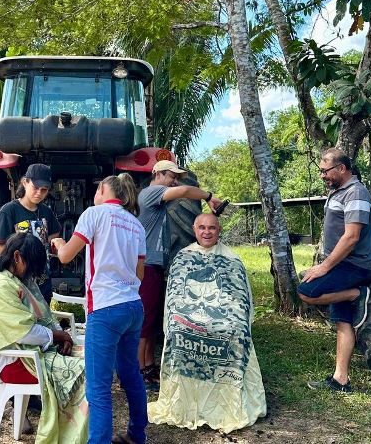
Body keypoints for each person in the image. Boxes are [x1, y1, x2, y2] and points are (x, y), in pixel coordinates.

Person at [50, 173, 147, 444]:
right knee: (131, 375)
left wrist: (58, 244)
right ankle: (137, 435)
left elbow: (66, 256)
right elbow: (139, 274)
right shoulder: (136, 224)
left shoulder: (94, 214)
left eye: (96, 190)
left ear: (103, 190)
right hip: (133, 306)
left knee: (99, 389)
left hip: (105, 309)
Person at [148, 213, 266, 432]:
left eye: (211, 228)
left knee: (236, 330)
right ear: (194, 230)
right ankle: (183, 404)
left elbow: (240, 299)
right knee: (177, 329)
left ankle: (228, 404)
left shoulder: (232, 259)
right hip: (187, 315)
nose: (206, 232)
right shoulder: (183, 257)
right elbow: (175, 298)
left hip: (223, 315)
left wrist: (232, 319)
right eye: (202, 227)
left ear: (219, 230)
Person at [0, 233, 87, 443]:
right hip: (15, 361)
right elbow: (24, 331)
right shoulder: (1, 286)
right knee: (85, 371)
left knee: (91, 358)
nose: (32, 274)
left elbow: (44, 314)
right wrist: (57, 335)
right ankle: (71, 437)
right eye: (31, 267)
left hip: (30, 352)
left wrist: (62, 336)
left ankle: (80, 434)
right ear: (17, 257)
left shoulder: (19, 280)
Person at [137, 159, 222, 388]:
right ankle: (139, 372)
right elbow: (184, 191)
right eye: (171, 176)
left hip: (156, 265)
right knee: (144, 323)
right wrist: (208, 196)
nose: (175, 181)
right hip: (148, 266)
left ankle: (149, 366)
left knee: (152, 321)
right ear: (158, 174)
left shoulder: (159, 201)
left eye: (176, 177)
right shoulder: (150, 193)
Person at [298, 148, 371, 393]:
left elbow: (351, 237)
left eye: (325, 171)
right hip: (340, 264)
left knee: (307, 291)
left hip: (353, 265)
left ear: (341, 168)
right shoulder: (339, 191)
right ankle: (341, 379)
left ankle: (356, 294)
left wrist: (324, 267)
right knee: (343, 322)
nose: (322, 175)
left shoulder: (356, 192)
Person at [0, 163, 61, 304]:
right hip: (17, 284)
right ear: (25, 182)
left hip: (42, 283)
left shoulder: (46, 211)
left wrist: (47, 247)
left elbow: (55, 233)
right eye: (35, 188)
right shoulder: (9, 211)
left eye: (44, 190)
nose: (39, 193)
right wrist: (20, 256)